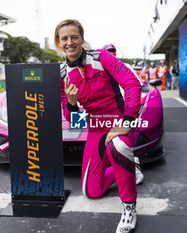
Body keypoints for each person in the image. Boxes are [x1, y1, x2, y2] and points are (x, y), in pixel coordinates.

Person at [55, 19, 143, 233]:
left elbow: (132, 83)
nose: (70, 42)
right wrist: (73, 102)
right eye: (64, 38)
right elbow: (69, 114)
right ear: (58, 43)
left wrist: (127, 121)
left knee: (119, 147)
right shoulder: (61, 74)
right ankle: (132, 166)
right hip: (95, 128)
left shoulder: (101, 57)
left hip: (117, 121)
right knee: (91, 191)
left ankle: (129, 208)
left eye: (74, 37)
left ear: (82, 39)